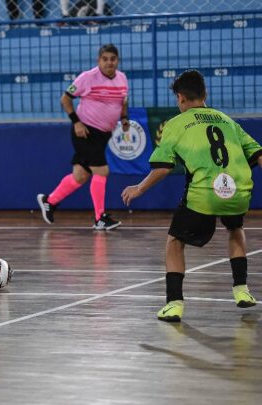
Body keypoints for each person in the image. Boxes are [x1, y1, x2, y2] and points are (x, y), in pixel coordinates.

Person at [122, 69, 260, 322]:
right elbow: (258, 155)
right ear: (205, 94)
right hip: (239, 190)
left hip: (205, 192)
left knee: (175, 241)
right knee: (235, 228)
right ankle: (241, 290)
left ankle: (174, 304)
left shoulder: (176, 124)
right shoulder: (227, 120)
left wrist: (139, 188)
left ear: (181, 98)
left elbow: (163, 167)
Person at [37, 43, 129, 230]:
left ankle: (50, 201)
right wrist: (76, 122)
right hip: (85, 132)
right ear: (98, 60)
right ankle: (100, 218)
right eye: (105, 59)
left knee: (80, 176)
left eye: (113, 59)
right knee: (102, 171)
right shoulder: (87, 77)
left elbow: (123, 102)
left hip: (104, 135)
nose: (109, 63)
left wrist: (124, 118)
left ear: (117, 61)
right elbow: (65, 98)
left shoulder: (122, 78)